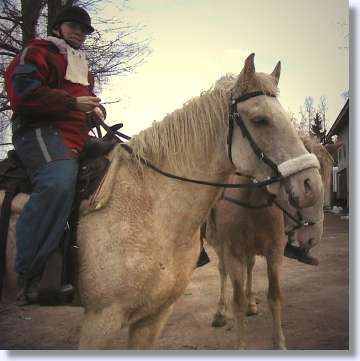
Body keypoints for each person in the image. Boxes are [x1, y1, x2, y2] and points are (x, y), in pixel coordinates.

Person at [5, 6, 106, 305]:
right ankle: (29, 277)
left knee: (125, 159)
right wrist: (74, 104)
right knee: (58, 182)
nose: (79, 33)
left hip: (77, 134)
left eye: (84, 30)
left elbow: (85, 104)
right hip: (39, 130)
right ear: (58, 27)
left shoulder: (84, 67)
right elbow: (22, 95)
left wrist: (97, 112)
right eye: (74, 26)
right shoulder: (36, 51)